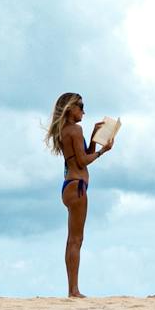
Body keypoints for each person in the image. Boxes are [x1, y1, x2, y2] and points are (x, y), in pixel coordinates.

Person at [46, 91, 112, 298]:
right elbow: (83, 161)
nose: (83, 111)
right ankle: (73, 290)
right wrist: (103, 151)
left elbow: (80, 155)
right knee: (76, 240)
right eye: (80, 106)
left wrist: (94, 138)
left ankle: (72, 289)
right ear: (70, 108)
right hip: (78, 186)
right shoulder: (75, 129)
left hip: (69, 185)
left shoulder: (66, 131)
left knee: (72, 239)